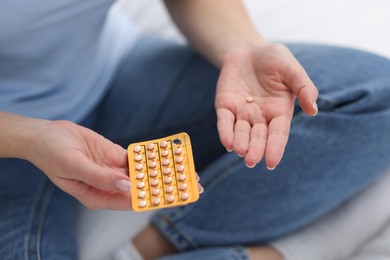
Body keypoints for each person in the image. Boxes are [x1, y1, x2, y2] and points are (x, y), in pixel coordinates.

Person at [1, 0, 390, 259]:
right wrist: (30, 139)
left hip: (116, 72)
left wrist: (242, 49)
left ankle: (150, 248)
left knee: (374, 91)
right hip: (13, 141)